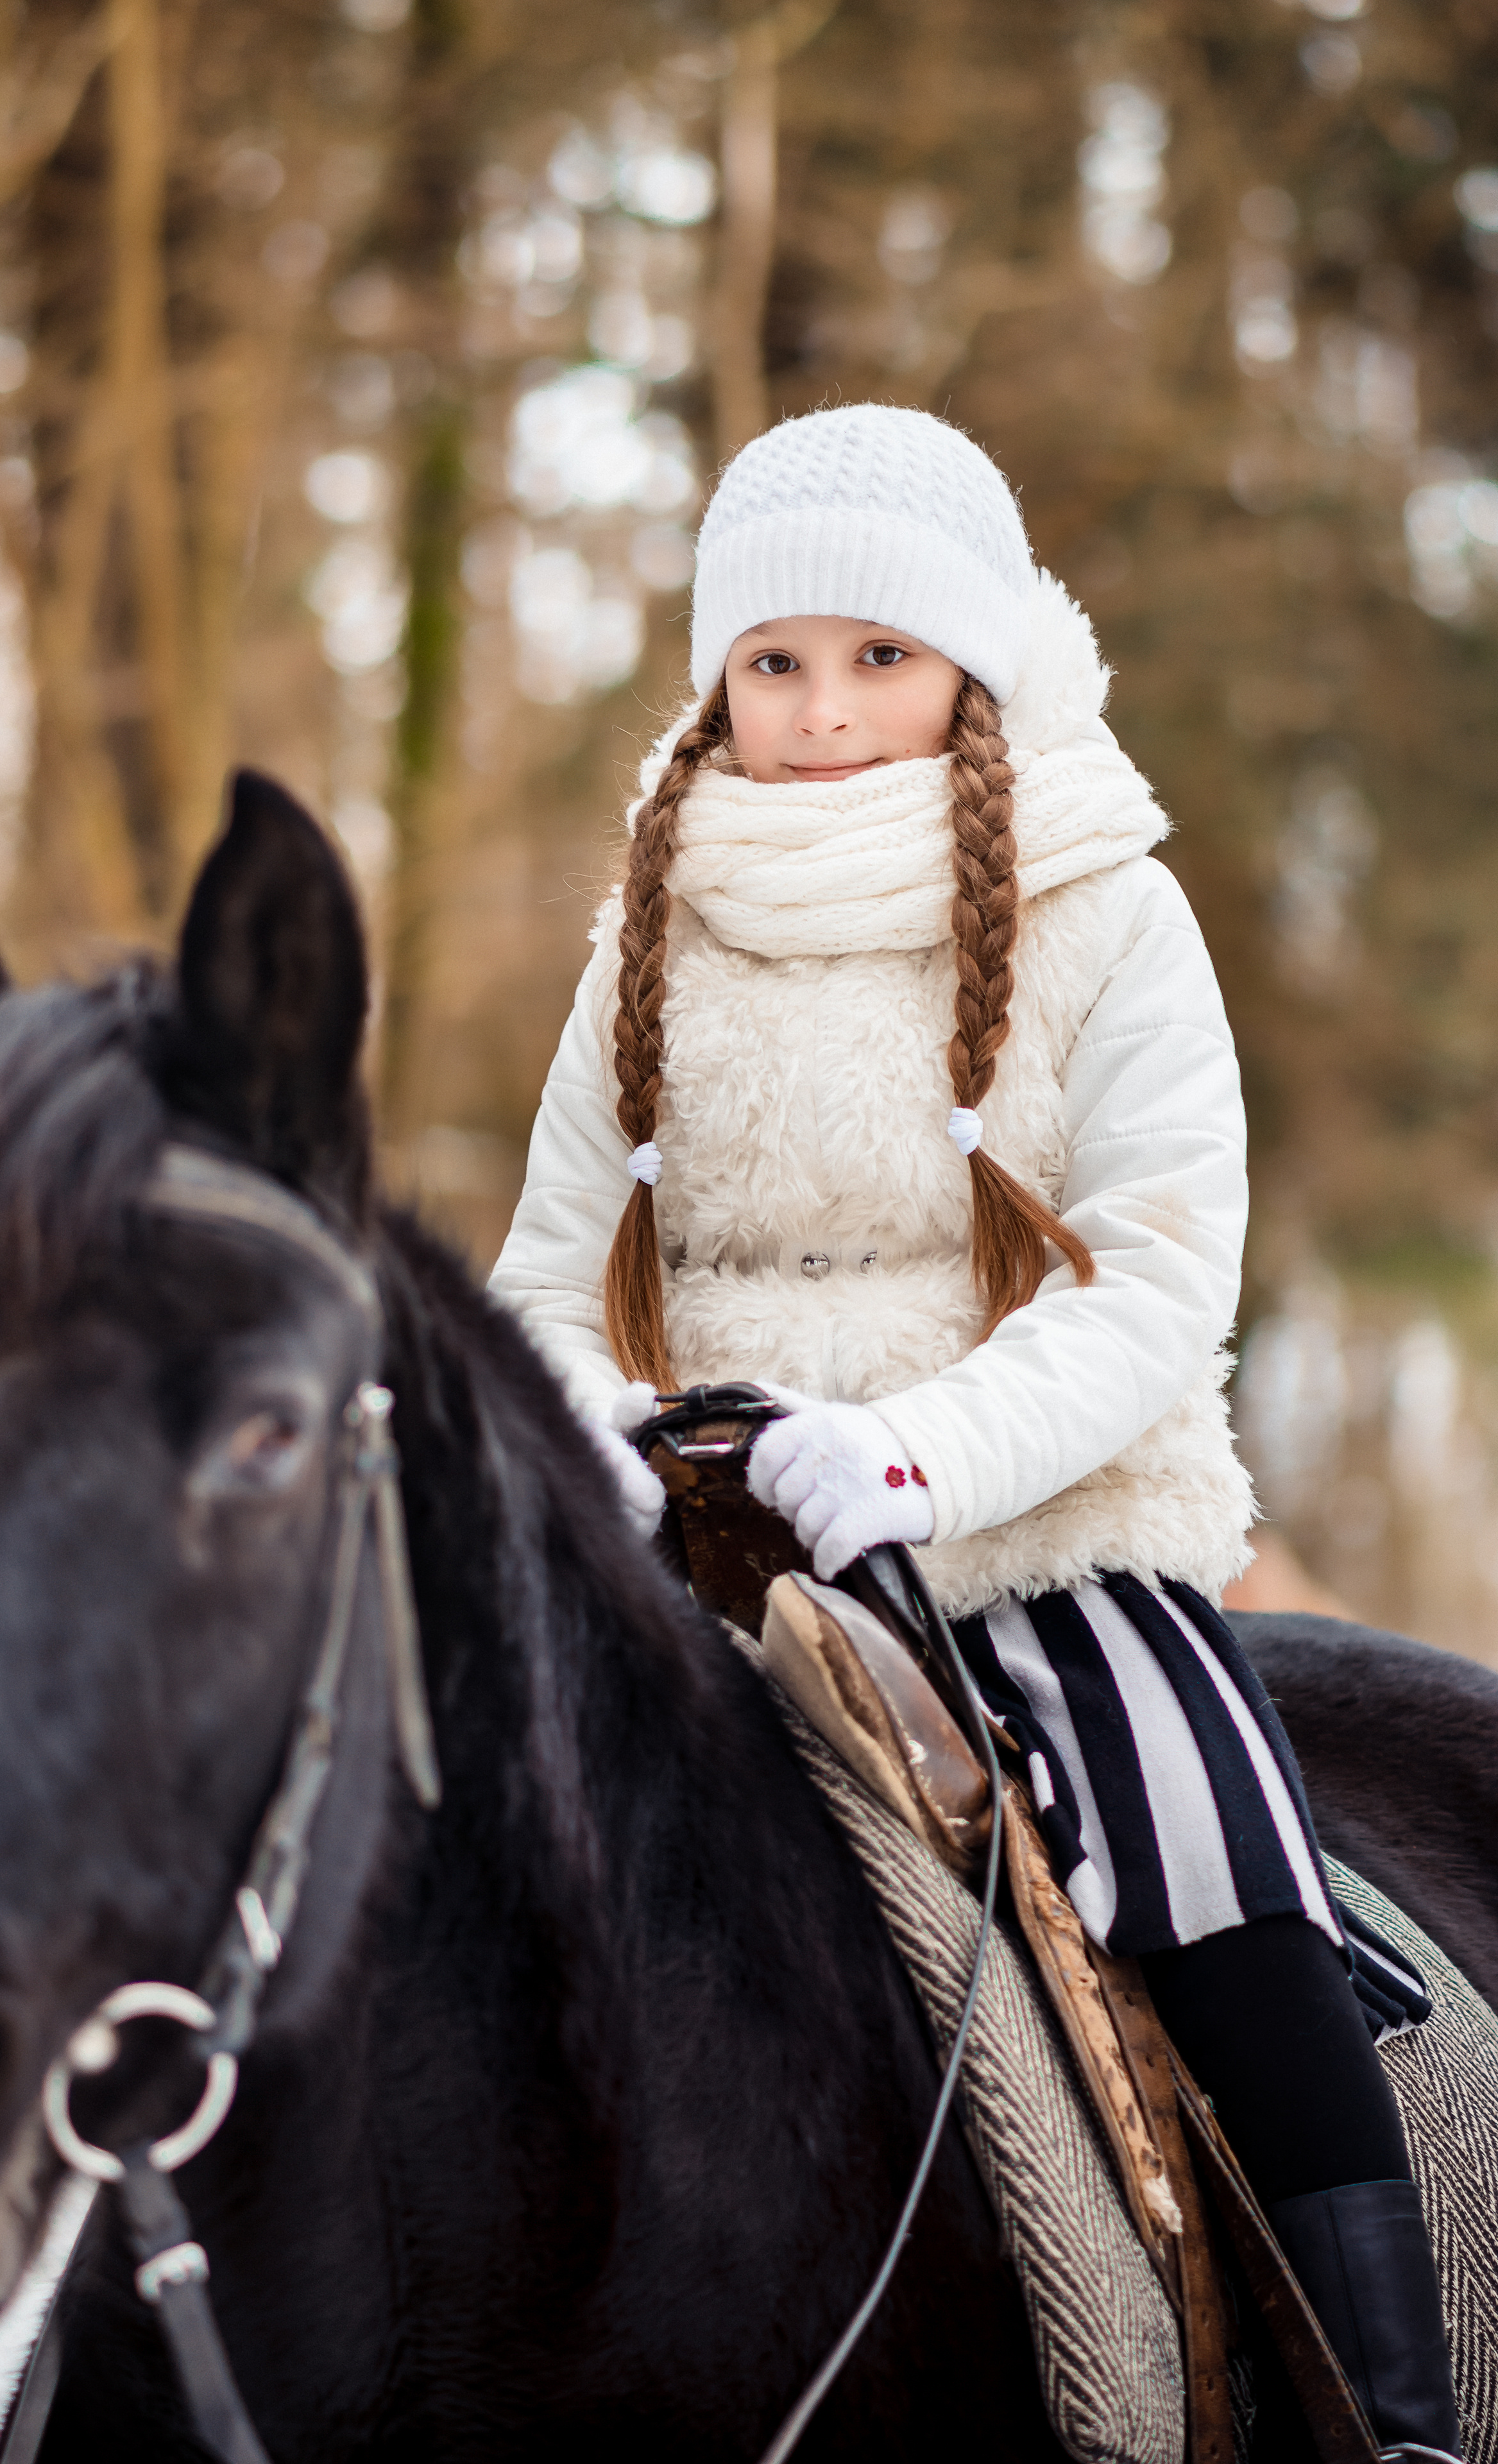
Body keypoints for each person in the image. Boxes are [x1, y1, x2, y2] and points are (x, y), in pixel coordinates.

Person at [488, 404, 1460, 2461]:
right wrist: (625, 1437)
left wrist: (918, 1460)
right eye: (774, 664)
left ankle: (1397, 2415)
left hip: (1041, 1540)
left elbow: (1159, 1281)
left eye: (878, 659)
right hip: (705, 1551)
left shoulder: (1116, 914)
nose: (824, 712)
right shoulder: (645, 929)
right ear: (718, 683)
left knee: (1230, 1892)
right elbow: (539, 1285)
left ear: (971, 669)